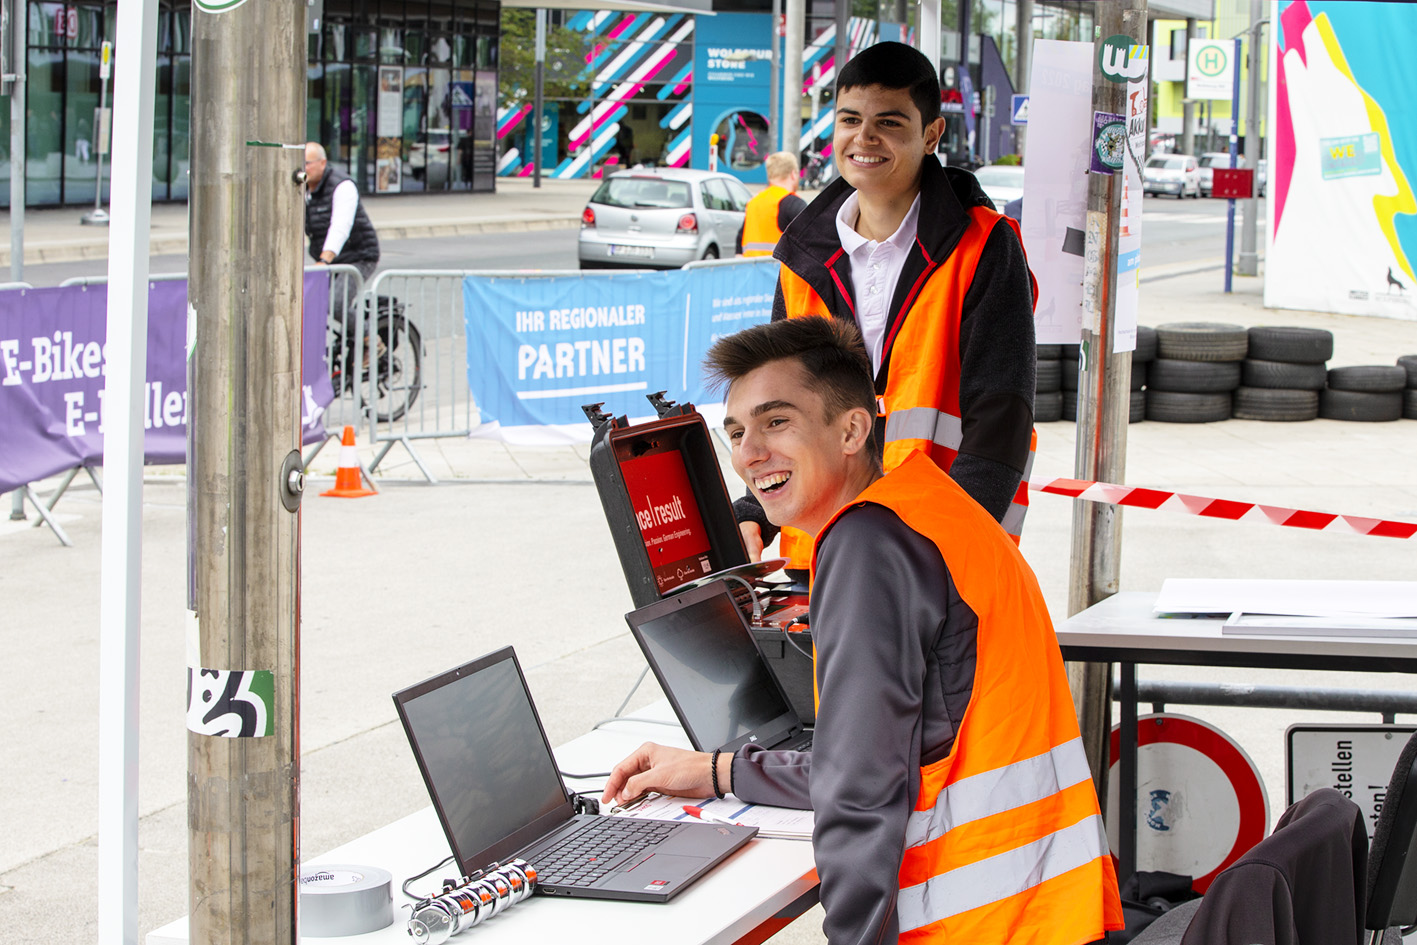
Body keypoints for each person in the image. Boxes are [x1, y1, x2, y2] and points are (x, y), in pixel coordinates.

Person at [602, 316, 1122, 945]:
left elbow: (861, 794)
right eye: (736, 432)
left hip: (970, 922)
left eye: (776, 422)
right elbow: (878, 758)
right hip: (1050, 907)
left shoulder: (868, 542)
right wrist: (716, 772)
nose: (749, 453)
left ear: (851, 429)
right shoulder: (934, 504)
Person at [735, 41, 1037, 574]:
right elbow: (782, 408)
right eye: (850, 119)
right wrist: (756, 511)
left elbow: (1001, 417)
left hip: (940, 559)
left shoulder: (984, 246)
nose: (865, 138)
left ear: (931, 134)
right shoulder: (804, 256)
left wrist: (944, 548)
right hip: (824, 553)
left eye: (890, 122)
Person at [304, 141, 382, 335]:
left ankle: (371, 341)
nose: (303, 168)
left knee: (337, 304)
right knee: (307, 302)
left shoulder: (342, 186)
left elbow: (340, 226)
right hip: (331, 260)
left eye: (307, 163)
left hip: (358, 256)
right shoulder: (304, 189)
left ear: (323, 163)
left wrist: (324, 260)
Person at [736, 151, 807, 257]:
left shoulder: (753, 203)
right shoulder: (793, 203)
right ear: (793, 174)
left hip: (751, 271)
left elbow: (739, 246)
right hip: (777, 271)